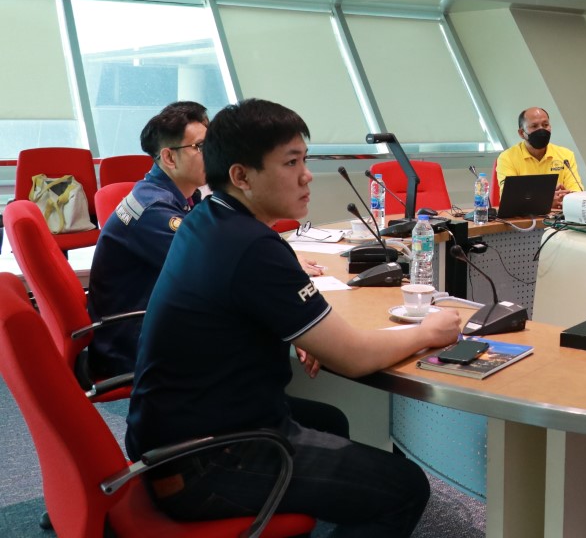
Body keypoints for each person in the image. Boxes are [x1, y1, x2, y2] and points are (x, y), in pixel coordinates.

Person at [126, 99, 461, 536]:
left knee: (331, 422)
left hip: (170, 438)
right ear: (241, 176)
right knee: (406, 487)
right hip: (205, 463)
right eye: (291, 162)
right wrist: (429, 329)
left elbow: (243, 308)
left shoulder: (211, 217)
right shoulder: (251, 246)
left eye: (304, 160)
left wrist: (303, 331)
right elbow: (354, 357)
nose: (306, 175)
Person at [87, 101, 210, 377]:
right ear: (169, 158)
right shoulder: (154, 209)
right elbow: (212, 270)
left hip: (155, 323)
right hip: (133, 346)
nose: (214, 153)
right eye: (201, 147)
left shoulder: (182, 196)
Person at [495, 106, 581, 209]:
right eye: (534, 126)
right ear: (522, 133)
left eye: (545, 125)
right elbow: (509, 199)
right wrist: (546, 200)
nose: (541, 130)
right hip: (523, 218)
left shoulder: (566, 155)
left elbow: (576, 193)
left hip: (558, 216)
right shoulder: (507, 157)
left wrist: (537, 199)